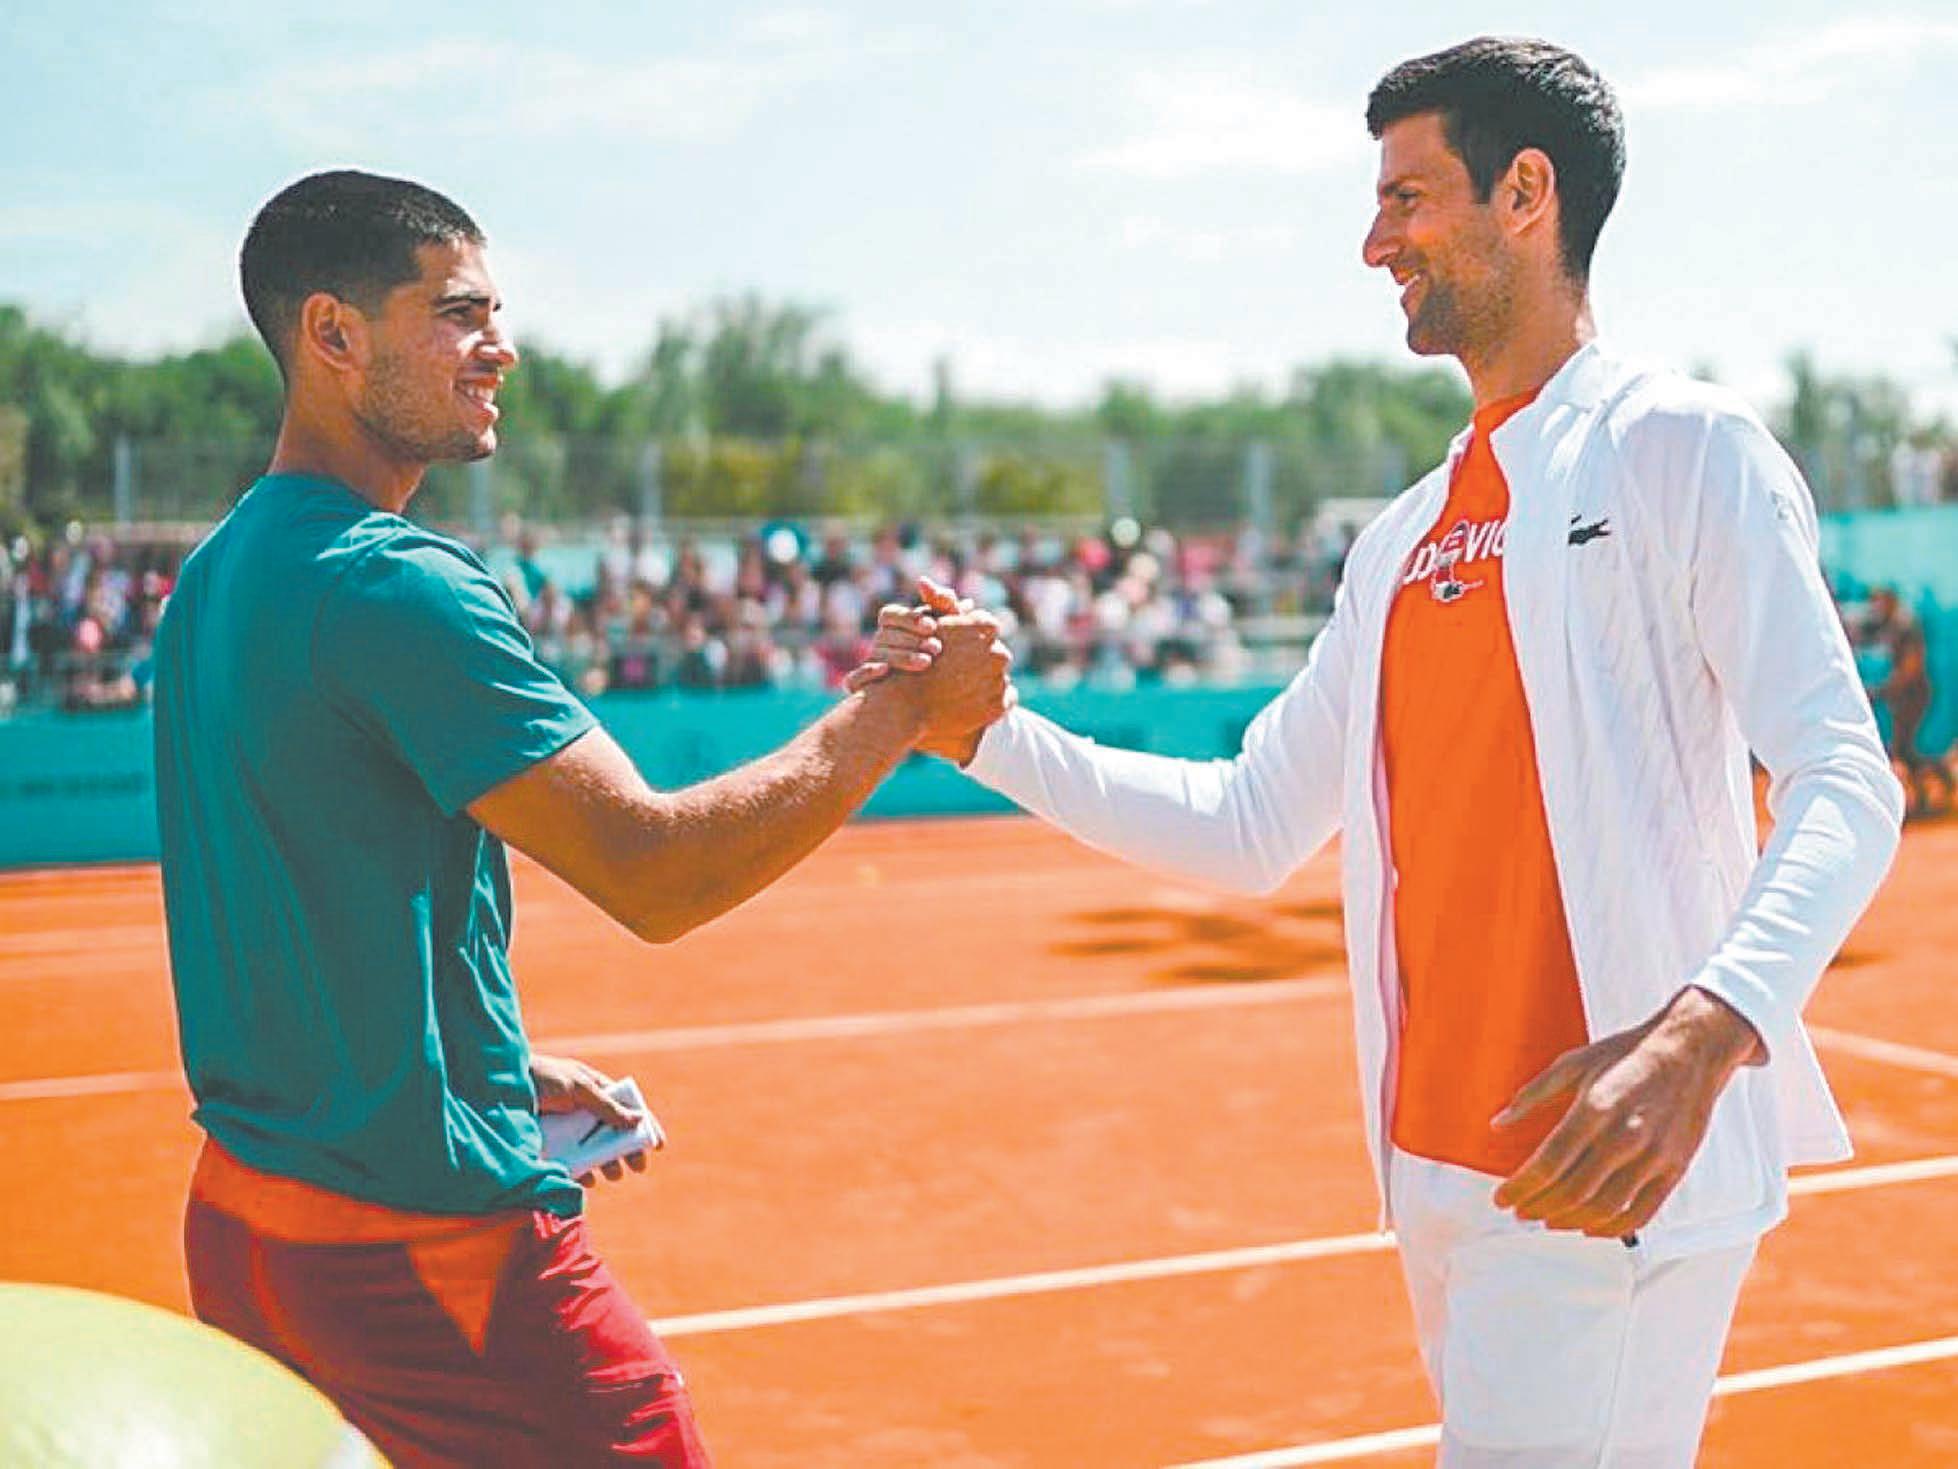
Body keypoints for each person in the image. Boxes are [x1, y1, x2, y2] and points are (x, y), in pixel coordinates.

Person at [867, 38, 1901, 1468]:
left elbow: (1845, 777)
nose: (1374, 243)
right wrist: (989, 735)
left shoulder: (1682, 448)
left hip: (1601, 1168)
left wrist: (1700, 1034)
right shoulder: (1400, 536)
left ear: (1524, 193)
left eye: (1407, 198)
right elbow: (1248, 819)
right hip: (1435, 1171)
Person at [150, 169, 1012, 1469]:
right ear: (333, 334)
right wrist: (899, 712)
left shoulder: (216, 575)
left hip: (245, 1226)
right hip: (423, 1248)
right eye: (457, 312)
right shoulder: (391, 584)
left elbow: (296, 904)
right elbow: (655, 869)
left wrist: (480, 1065)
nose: (499, 346)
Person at [1860, 584, 1948, 815]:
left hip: (1914, 695)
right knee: (1904, 748)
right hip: (1905, 695)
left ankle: (1936, 786)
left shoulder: (1905, 625)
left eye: (1879, 602)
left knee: (1903, 748)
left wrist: (1883, 690)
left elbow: (1911, 667)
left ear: (1890, 601)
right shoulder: (1891, 624)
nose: (1875, 608)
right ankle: (1931, 789)